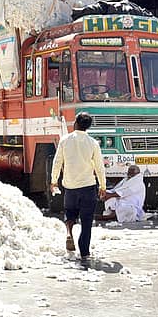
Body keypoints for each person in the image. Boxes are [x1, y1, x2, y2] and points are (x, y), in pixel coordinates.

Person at [51, 111, 106, 264]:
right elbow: (99, 167)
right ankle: (85, 253)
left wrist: (53, 181)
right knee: (87, 222)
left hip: (70, 187)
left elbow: (57, 162)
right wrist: (103, 186)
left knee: (69, 213)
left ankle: (69, 232)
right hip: (88, 187)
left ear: (75, 123)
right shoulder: (93, 143)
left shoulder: (65, 140)